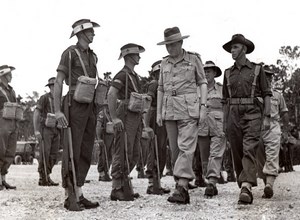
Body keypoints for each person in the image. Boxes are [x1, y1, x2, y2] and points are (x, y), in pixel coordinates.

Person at [157, 27, 208, 204]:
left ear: (180, 43)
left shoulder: (193, 59)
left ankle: (182, 186)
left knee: (186, 148)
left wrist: (203, 106)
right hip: (169, 110)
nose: (169, 48)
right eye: (167, 45)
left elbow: (202, 83)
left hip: (188, 109)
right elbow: (161, 88)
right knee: (175, 151)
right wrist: (158, 112)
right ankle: (181, 186)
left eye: (172, 44)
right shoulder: (164, 63)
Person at [54, 19, 100, 210]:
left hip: (89, 105)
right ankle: (68, 195)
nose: (93, 34)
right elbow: (58, 81)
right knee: (72, 148)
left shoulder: (93, 56)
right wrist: (57, 111)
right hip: (74, 103)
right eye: (90, 31)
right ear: (80, 33)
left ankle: (79, 193)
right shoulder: (69, 54)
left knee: (86, 149)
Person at [222, 34, 272, 204]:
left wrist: (266, 118)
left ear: (244, 49)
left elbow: (266, 95)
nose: (232, 51)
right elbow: (224, 100)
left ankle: (246, 186)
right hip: (233, 114)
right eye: (231, 48)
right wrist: (224, 122)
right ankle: (243, 182)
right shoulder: (228, 72)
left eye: (235, 47)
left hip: (253, 113)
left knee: (249, 148)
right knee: (236, 151)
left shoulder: (257, 69)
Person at [107, 43, 145, 201]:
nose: (139, 57)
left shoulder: (134, 76)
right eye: (136, 54)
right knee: (122, 150)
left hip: (135, 115)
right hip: (125, 114)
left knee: (134, 151)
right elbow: (111, 94)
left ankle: (125, 184)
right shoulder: (122, 75)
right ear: (129, 56)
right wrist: (114, 117)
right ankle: (116, 188)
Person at [256, 65, 289, 198]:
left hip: (273, 127)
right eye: (265, 77)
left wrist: (285, 131)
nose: (267, 80)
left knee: (272, 156)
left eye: (269, 77)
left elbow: (284, 113)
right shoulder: (255, 95)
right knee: (260, 158)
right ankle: (266, 183)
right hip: (257, 128)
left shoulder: (277, 95)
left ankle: (269, 184)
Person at [198, 61, 226, 197]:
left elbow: (227, 107)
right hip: (202, 125)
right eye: (204, 71)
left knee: (216, 153)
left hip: (218, 125)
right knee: (204, 155)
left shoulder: (222, 89)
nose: (206, 73)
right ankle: (207, 178)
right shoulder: (197, 89)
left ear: (215, 73)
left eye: (209, 71)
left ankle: (212, 182)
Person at [143, 60, 170, 194]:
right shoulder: (154, 84)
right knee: (155, 149)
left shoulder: (163, 85)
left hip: (162, 116)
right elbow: (148, 103)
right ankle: (151, 183)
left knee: (161, 149)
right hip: (155, 116)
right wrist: (146, 124)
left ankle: (156, 182)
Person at [33, 77, 60, 186]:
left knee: (54, 154)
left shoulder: (60, 99)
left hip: (56, 130)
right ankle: (42, 177)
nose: (55, 87)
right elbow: (36, 113)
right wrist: (36, 131)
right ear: (50, 87)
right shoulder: (44, 98)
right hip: (46, 129)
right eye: (53, 86)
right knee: (45, 153)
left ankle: (47, 174)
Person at [0, 65, 20, 190]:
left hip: (12, 121)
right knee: (0, 150)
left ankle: (3, 179)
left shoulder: (11, 91)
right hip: (1, 121)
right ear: (3, 75)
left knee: (10, 151)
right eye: (9, 74)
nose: (11, 76)